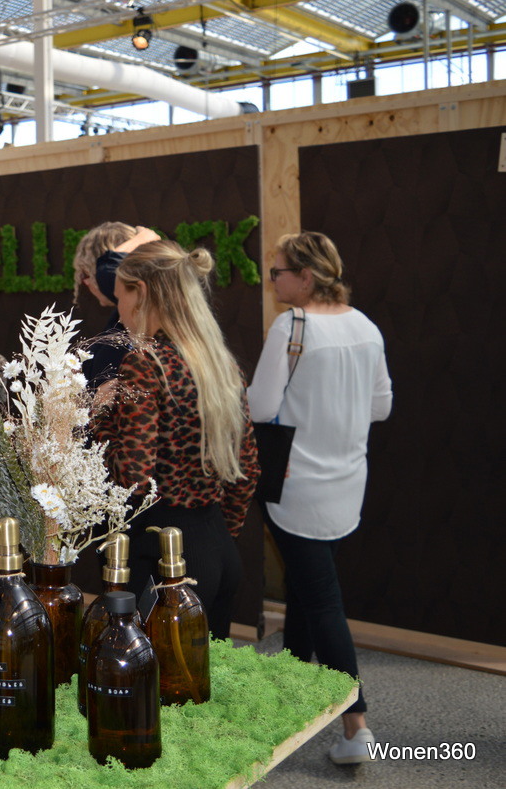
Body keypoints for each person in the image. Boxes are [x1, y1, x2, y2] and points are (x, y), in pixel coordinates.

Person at [247, 231, 391, 765]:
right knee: (307, 591)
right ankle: (292, 691)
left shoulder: (292, 326)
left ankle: (357, 726)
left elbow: (261, 407)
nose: (273, 282)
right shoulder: (366, 326)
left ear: (305, 277)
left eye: (278, 272)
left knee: (323, 602)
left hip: (296, 486)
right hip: (347, 483)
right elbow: (381, 407)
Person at [95, 240, 259, 640]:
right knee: (205, 674)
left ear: (140, 292)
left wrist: (99, 418)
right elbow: (248, 469)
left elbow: (132, 476)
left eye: (119, 297)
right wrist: (217, 537)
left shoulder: (145, 364)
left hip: (163, 557)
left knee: (148, 674)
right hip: (217, 550)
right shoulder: (221, 365)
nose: (119, 310)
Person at [72, 221, 138, 385]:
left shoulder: (140, 317)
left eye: (86, 274)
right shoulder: (119, 320)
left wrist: (146, 236)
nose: (86, 283)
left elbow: (109, 270)